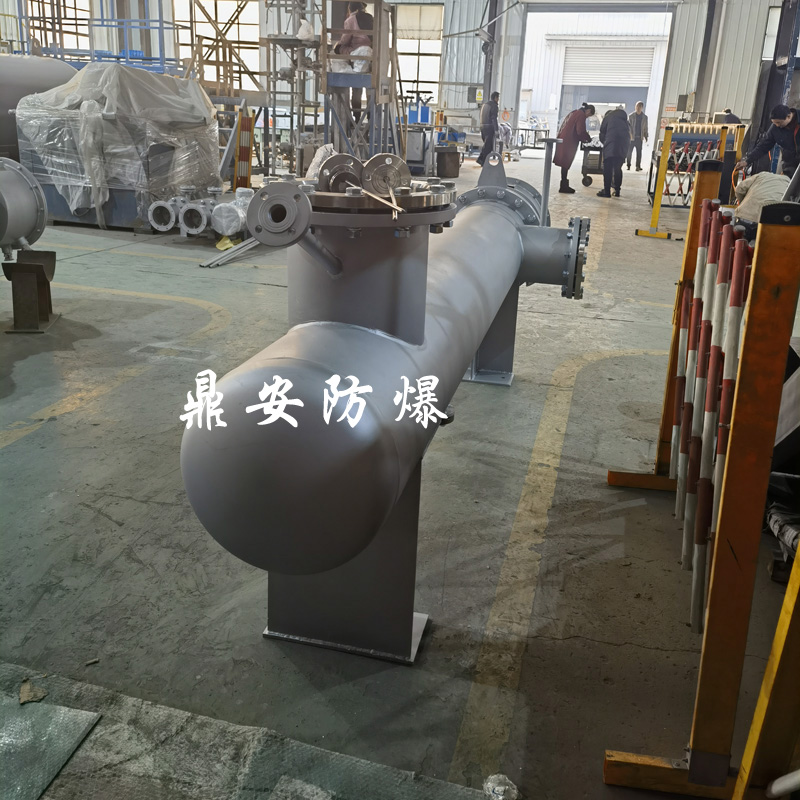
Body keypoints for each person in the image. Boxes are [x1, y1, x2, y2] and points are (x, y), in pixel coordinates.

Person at [735, 104, 800, 177]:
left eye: (779, 122)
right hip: (790, 164)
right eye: (774, 123)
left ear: (788, 116)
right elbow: (763, 146)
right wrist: (747, 161)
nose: (777, 125)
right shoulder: (775, 128)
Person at [335, 2, 373, 120]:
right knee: (370, 88)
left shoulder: (351, 20)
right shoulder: (370, 18)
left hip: (358, 54)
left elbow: (345, 39)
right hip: (372, 54)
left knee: (356, 89)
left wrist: (338, 47)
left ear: (350, 8)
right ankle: (370, 116)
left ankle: (356, 117)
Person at [553, 103, 595, 193]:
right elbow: (580, 131)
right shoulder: (581, 115)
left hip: (563, 139)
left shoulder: (574, 112)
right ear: (588, 111)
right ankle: (563, 186)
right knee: (565, 162)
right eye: (589, 115)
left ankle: (564, 184)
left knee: (564, 163)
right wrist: (588, 138)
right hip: (569, 141)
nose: (587, 117)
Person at [733, 171, 791, 237]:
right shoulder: (791, 188)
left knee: (736, 241)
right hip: (766, 226)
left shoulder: (763, 175)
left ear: (782, 173)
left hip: (743, 218)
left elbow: (739, 189)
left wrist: (743, 203)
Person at [597, 107, 631, 198]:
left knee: (607, 169)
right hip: (623, 146)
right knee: (617, 168)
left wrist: (605, 143)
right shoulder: (625, 120)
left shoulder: (608, 117)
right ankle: (617, 190)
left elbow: (602, 133)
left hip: (611, 144)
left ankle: (607, 192)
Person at [476, 91, 501, 168]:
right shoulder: (494, 106)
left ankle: (481, 159)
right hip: (489, 127)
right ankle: (482, 160)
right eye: (498, 98)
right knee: (489, 146)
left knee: (486, 145)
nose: (498, 100)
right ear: (495, 98)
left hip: (482, 126)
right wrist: (496, 130)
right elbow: (494, 118)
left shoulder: (484, 105)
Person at [627, 101, 649, 171]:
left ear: (642, 108)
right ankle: (628, 165)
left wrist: (646, 136)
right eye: (636, 106)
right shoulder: (631, 116)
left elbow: (645, 127)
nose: (637, 108)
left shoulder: (645, 117)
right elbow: (628, 126)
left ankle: (638, 166)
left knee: (639, 153)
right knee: (629, 152)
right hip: (632, 137)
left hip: (639, 138)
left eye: (639, 106)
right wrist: (629, 134)